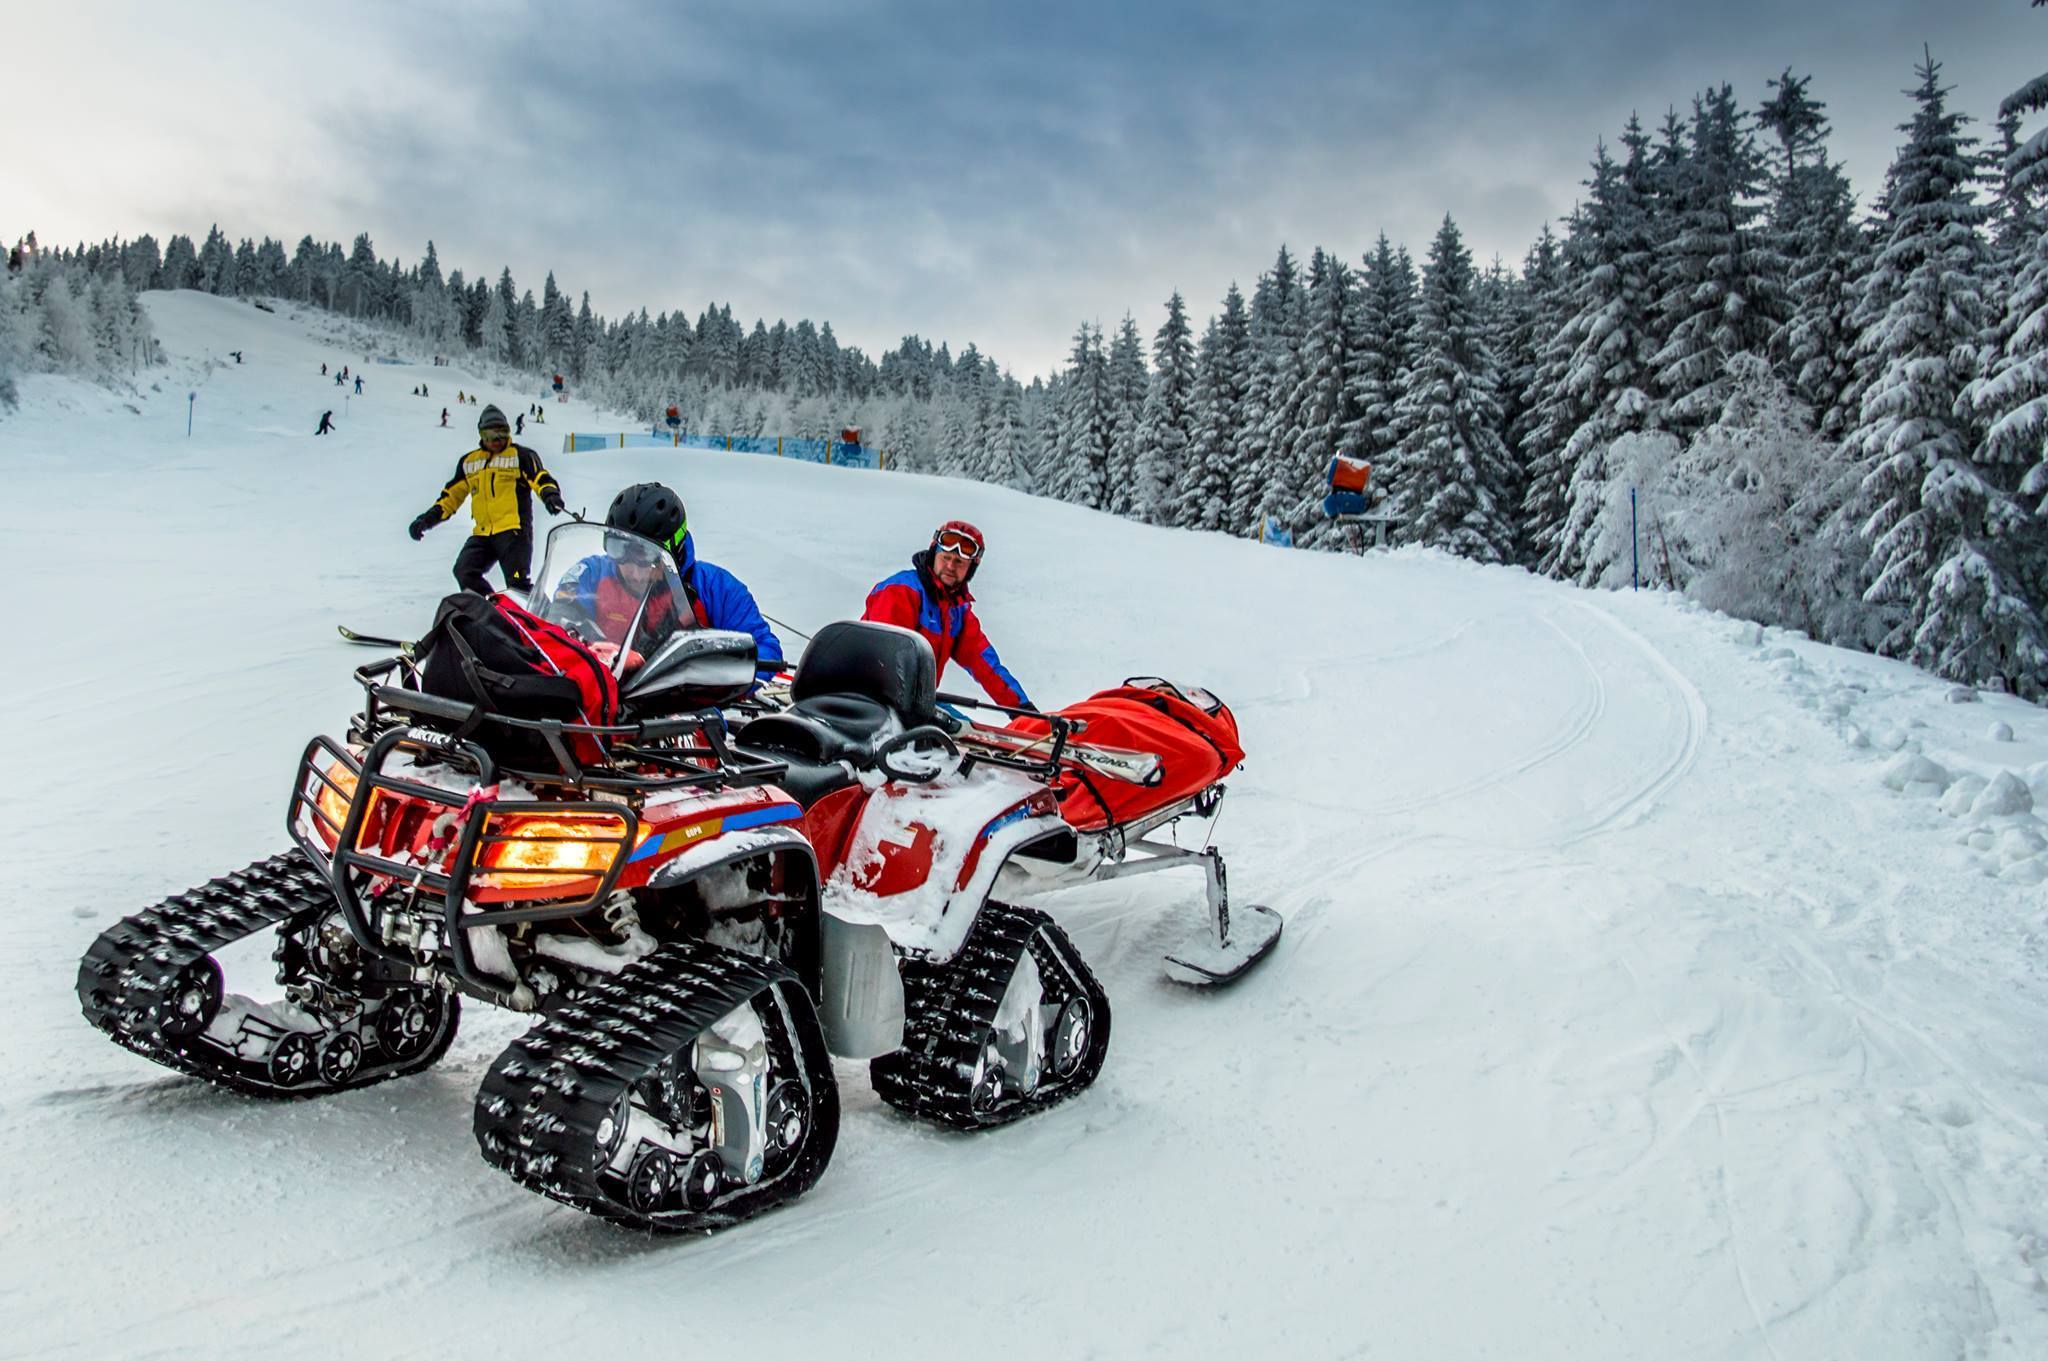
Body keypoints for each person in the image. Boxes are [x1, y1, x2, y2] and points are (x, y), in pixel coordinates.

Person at [596, 483, 781, 669]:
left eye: (646, 556)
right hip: (607, 690)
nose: (635, 574)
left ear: (676, 549)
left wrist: (715, 674)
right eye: (618, 550)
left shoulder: (717, 588)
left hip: (686, 694)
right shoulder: (592, 575)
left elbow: (765, 650)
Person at [863, 520, 1031, 709]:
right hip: (871, 701)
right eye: (945, 557)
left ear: (971, 568)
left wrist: (1023, 709)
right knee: (952, 731)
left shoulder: (957, 612)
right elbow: (885, 658)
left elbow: (987, 666)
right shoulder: (901, 591)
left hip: (917, 704)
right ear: (934, 555)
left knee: (968, 733)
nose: (951, 566)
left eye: (959, 562)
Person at [408, 404, 565, 595]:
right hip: (484, 533)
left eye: (502, 433)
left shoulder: (520, 455)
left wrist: (550, 495)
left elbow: (540, 478)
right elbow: (450, 498)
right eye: (491, 435)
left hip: (513, 532)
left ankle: (540, 620)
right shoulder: (470, 462)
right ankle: (491, 611)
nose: (497, 440)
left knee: (517, 585)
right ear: (481, 435)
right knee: (464, 571)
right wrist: (425, 520)